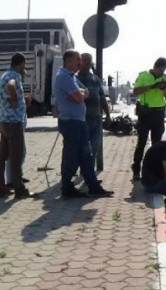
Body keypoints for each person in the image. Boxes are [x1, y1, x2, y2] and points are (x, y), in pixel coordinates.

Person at [53, 50, 113, 199]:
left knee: (87, 155)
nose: (80, 63)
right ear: (68, 61)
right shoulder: (64, 77)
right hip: (71, 122)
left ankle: (93, 186)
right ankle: (67, 187)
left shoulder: (71, 77)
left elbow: (84, 93)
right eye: (77, 60)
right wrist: (81, 94)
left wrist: (81, 94)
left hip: (79, 122)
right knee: (71, 156)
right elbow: (80, 97)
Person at [0, 53, 34, 199]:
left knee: (2, 157)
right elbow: (11, 86)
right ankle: (20, 190)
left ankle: (2, 187)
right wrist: (14, 100)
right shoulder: (14, 75)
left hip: (4, 121)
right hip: (14, 123)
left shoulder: (3, 75)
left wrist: (20, 99)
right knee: (16, 157)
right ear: (21, 63)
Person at [131, 57, 166, 181]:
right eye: (159, 70)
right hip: (145, 113)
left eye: (163, 70)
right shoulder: (144, 76)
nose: (161, 73)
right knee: (141, 143)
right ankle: (136, 170)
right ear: (154, 67)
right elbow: (136, 91)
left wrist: (163, 88)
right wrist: (153, 86)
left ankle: (153, 171)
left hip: (158, 114)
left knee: (157, 145)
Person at [77, 53, 111, 172]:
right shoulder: (75, 79)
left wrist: (108, 115)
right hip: (82, 119)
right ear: (79, 62)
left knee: (95, 146)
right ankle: (85, 170)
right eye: (84, 60)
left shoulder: (95, 79)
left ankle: (89, 171)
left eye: (89, 60)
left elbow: (102, 98)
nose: (87, 63)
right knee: (84, 147)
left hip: (96, 117)